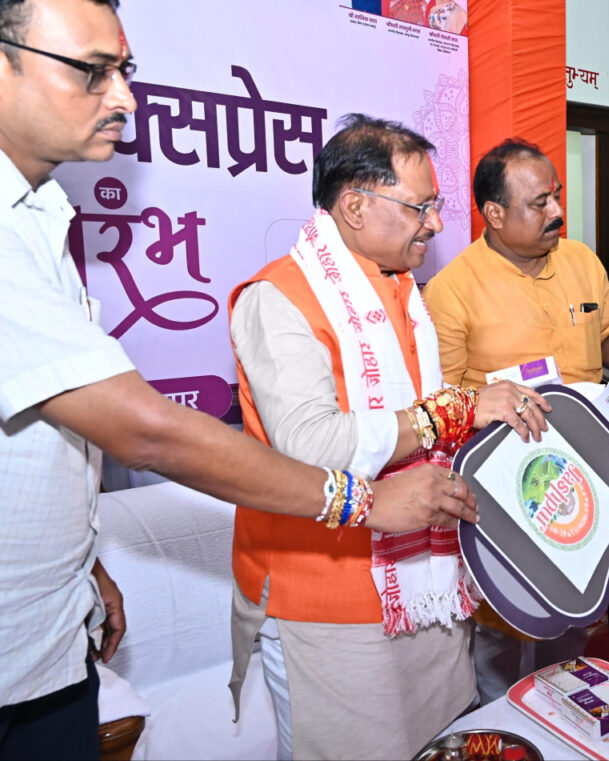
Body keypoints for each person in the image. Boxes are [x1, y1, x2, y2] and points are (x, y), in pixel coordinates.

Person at [0, 2, 477, 758]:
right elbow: (148, 431)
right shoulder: (280, 294)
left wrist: (81, 568)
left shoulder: (38, 220)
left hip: (50, 636)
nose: (124, 97)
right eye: (92, 71)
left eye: (125, 71)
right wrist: (376, 491)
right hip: (322, 585)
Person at [228, 117, 550, 760]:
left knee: (441, 743)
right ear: (354, 206)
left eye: (435, 205)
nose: (435, 223)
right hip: (328, 598)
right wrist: (453, 411)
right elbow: (312, 447)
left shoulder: (401, 290)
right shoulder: (278, 298)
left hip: (428, 587)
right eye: (419, 207)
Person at [421, 137, 609, 703]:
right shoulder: (452, 291)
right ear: (494, 213)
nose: (558, 211)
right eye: (540, 203)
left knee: (574, 618)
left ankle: (566, 718)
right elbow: (442, 402)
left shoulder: (582, 260)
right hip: (511, 490)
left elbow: (605, 345)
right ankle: (499, 723)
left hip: (586, 477)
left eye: (557, 196)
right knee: (504, 627)